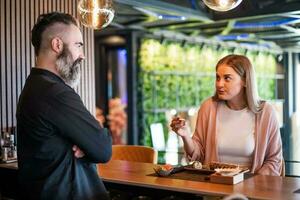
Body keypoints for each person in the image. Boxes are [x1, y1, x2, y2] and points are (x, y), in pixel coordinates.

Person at [16, 12, 112, 199]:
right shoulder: (55, 93)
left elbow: (95, 144)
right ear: (57, 45)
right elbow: (103, 148)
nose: (82, 55)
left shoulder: (34, 86)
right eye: (78, 45)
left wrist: (88, 143)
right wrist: (89, 142)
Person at [170, 54, 283, 176]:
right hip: (214, 185)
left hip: (251, 188)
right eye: (218, 78)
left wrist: (253, 183)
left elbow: (274, 161)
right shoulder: (208, 107)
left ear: (245, 80)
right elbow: (198, 156)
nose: (219, 84)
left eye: (227, 78)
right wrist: (186, 136)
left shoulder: (266, 112)